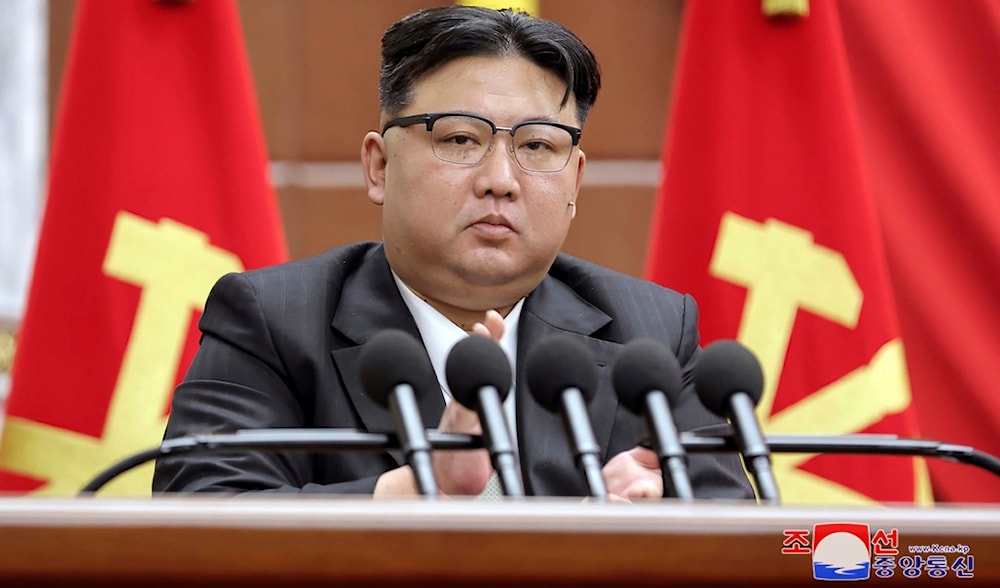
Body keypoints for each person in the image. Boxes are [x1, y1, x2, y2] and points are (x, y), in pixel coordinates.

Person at [152, 5, 753, 500]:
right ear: (380, 166)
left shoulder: (651, 335)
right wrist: (416, 491)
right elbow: (198, 520)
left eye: (538, 146)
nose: (501, 179)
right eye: (461, 139)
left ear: (574, 180)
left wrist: (646, 531)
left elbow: (756, 546)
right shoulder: (272, 320)